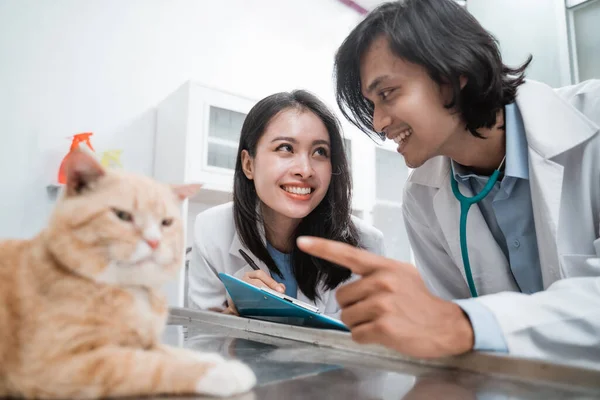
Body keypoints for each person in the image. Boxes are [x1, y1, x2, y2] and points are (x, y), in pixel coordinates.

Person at [297, 0, 600, 368]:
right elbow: (447, 338)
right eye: (371, 104)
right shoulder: (421, 196)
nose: (377, 123)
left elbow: (457, 325)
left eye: (387, 94)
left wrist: (466, 324)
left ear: (454, 72)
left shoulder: (591, 124)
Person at [188, 90, 385, 317]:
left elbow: (368, 343)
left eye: (320, 152)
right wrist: (234, 316)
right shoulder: (211, 231)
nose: (305, 170)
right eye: (285, 148)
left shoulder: (367, 245)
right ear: (248, 164)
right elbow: (201, 340)